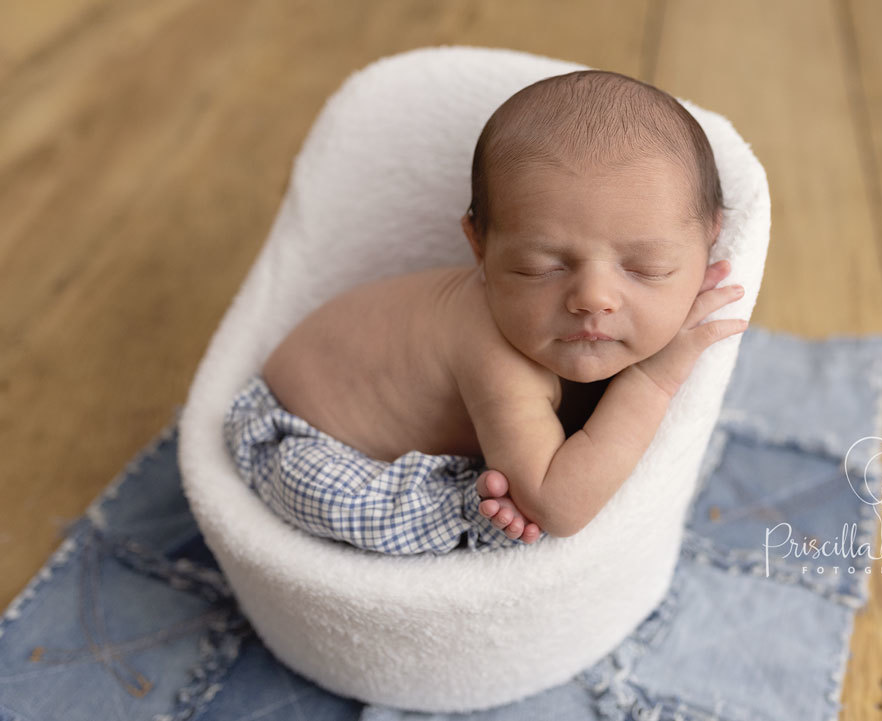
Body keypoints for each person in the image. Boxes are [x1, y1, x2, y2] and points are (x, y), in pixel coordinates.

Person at [223, 69, 747, 554]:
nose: (593, 298)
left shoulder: (558, 321)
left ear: (710, 241)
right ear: (480, 247)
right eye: (541, 267)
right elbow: (560, 508)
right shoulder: (496, 351)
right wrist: (654, 379)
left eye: (647, 268)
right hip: (301, 432)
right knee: (475, 513)